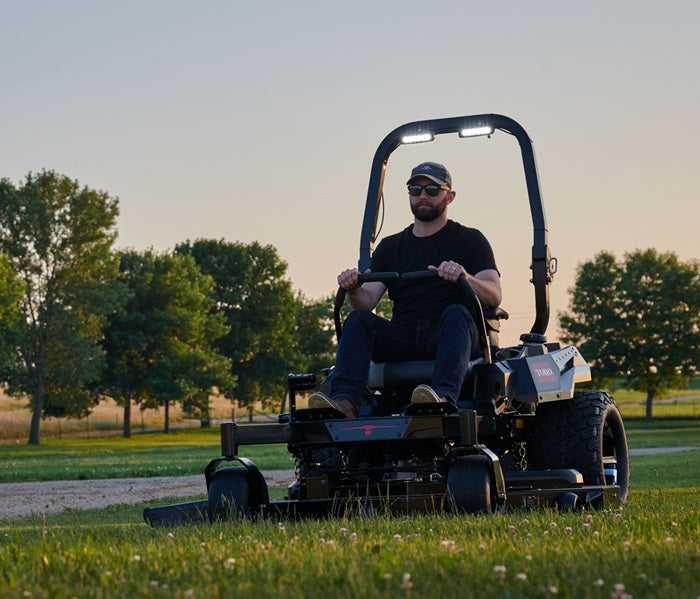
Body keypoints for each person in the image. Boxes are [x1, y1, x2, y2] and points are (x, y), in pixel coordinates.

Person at [308, 161, 502, 418]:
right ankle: (344, 403)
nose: (423, 195)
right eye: (415, 189)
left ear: (449, 196)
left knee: (455, 311)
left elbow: (494, 293)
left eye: (432, 189)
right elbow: (365, 302)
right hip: (405, 336)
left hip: (451, 335)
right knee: (358, 319)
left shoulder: (470, 240)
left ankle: (441, 398)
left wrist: (465, 277)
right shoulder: (391, 247)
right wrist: (353, 287)